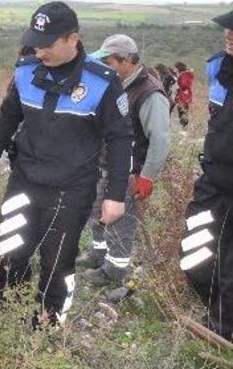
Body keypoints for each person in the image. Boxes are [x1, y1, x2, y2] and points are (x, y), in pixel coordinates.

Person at [0, 1, 133, 326]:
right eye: (35, 42)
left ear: (72, 39)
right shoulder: (25, 70)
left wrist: (116, 194)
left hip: (70, 190)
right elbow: (9, 116)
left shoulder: (102, 81)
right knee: (8, 250)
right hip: (25, 181)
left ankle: (48, 325)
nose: (39, 51)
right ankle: (8, 312)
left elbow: (120, 139)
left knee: (57, 262)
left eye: (47, 44)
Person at [76, 35, 170, 295]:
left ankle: (115, 270)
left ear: (127, 60)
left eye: (109, 61)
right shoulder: (115, 85)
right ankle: (98, 254)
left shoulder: (150, 93)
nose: (105, 65)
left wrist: (147, 176)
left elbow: (160, 140)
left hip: (130, 173)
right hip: (105, 165)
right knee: (98, 214)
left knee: (120, 224)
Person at [179, 10, 233, 342]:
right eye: (228, 28)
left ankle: (224, 329)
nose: (229, 33)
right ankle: (214, 306)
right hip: (214, 181)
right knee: (194, 249)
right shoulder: (217, 68)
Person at [174, 61, 193, 128]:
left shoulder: (184, 74)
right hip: (184, 94)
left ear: (179, 68)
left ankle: (184, 126)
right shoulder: (185, 74)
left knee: (183, 110)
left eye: (175, 68)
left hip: (183, 95)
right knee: (183, 110)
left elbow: (184, 84)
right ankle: (183, 126)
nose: (175, 70)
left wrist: (179, 87)